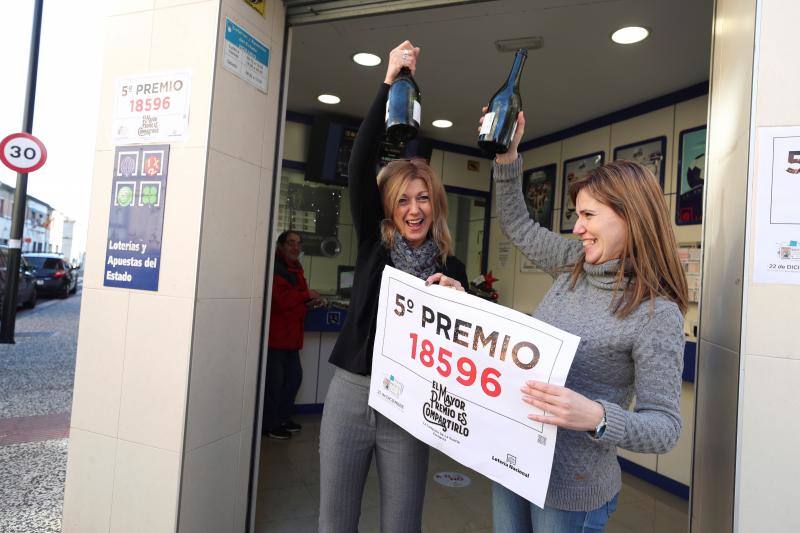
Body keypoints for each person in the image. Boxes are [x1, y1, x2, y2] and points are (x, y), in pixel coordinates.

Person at [486, 110, 688, 532]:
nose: (576, 228)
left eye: (588, 216)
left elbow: (665, 428)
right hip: (512, 461)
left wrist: (597, 415)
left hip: (570, 491)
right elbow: (519, 225)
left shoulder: (656, 313)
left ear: (631, 218)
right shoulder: (572, 265)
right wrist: (507, 159)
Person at [318, 41, 469, 533]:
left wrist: (461, 302)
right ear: (390, 206)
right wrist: (387, 84)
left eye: (424, 197)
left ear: (436, 204)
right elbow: (359, 164)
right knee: (336, 521)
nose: (414, 208)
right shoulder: (371, 245)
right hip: (351, 397)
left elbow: (467, 343)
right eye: (403, 199)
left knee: (402, 524)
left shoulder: (452, 267)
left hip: (409, 406)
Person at [263, 230, 320, 440]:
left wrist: (310, 302)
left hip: (292, 338)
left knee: (293, 379)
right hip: (276, 339)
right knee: (274, 384)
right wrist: (307, 295)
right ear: (280, 246)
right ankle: (269, 425)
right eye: (290, 243)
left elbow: (295, 299)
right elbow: (280, 300)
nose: (295, 247)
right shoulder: (275, 268)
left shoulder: (296, 269)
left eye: (298, 243)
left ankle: (283, 419)